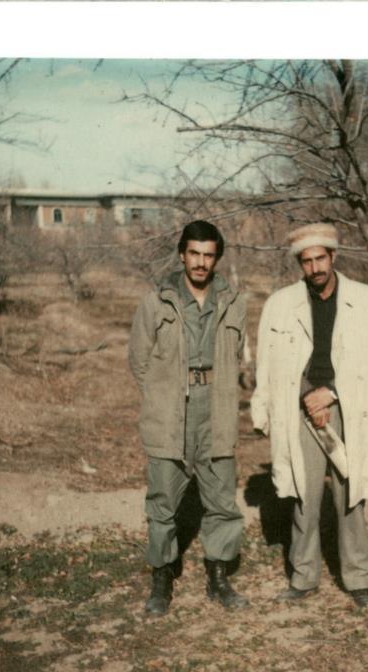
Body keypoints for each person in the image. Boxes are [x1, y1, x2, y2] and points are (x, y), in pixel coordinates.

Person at [251, 223, 368, 608]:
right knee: (305, 493)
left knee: (349, 493)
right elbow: (271, 365)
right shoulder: (281, 304)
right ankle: (303, 576)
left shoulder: (367, 300)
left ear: (333, 257)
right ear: (299, 264)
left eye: (321, 258)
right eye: (307, 261)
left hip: (350, 407)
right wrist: (303, 398)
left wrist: (334, 394)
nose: (315, 268)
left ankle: (358, 578)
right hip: (301, 407)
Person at [129, 220, 249, 615]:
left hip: (217, 408)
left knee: (221, 500)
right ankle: (162, 578)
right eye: (194, 253)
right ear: (182, 254)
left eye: (208, 255)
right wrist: (163, 396)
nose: (200, 262)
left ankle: (218, 577)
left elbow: (235, 354)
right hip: (171, 411)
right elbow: (139, 361)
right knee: (163, 501)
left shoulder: (234, 302)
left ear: (217, 259)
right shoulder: (156, 301)